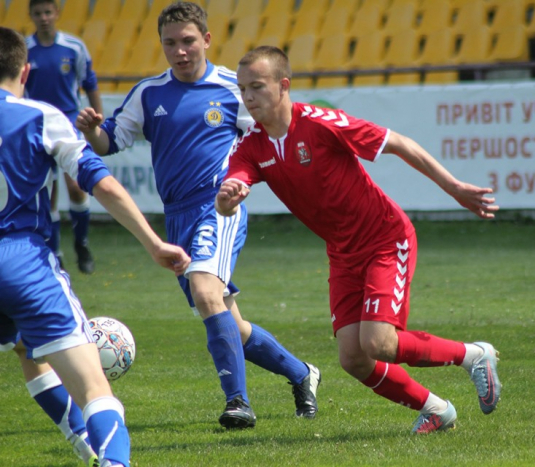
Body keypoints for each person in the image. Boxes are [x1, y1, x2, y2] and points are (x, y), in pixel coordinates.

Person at [216, 46, 503, 434]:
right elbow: (233, 190)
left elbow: (397, 142)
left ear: (283, 86)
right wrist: (227, 200)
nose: (249, 97)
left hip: (385, 237)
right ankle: (436, 409)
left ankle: (473, 355)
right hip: (342, 252)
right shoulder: (252, 145)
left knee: (379, 343)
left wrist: (453, 187)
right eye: (243, 89)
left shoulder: (319, 123)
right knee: (353, 358)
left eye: (257, 87)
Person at [76, 2, 320, 429]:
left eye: (188, 41)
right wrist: (92, 129)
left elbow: (271, 132)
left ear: (206, 39)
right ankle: (302, 374)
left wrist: (249, 179)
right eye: (170, 43)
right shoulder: (149, 93)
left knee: (207, 294)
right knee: (230, 323)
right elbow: (108, 143)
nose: (180, 50)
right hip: (178, 220)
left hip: (219, 207)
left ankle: (238, 403)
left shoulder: (232, 87)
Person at [0, 26, 191, 467]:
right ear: (25, 70)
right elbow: (99, 182)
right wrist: (153, 242)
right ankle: (110, 459)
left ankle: (81, 443)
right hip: (21, 262)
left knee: (28, 349)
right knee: (95, 391)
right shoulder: (38, 116)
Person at [25, 0, 102, 274]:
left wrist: (97, 122)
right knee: (49, 194)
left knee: (76, 187)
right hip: (37, 127)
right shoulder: (25, 50)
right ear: (31, 16)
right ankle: (55, 252)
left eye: (48, 12)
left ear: (56, 13)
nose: (43, 18)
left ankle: (81, 243)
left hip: (69, 124)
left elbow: (90, 85)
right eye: (38, 13)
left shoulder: (74, 47)